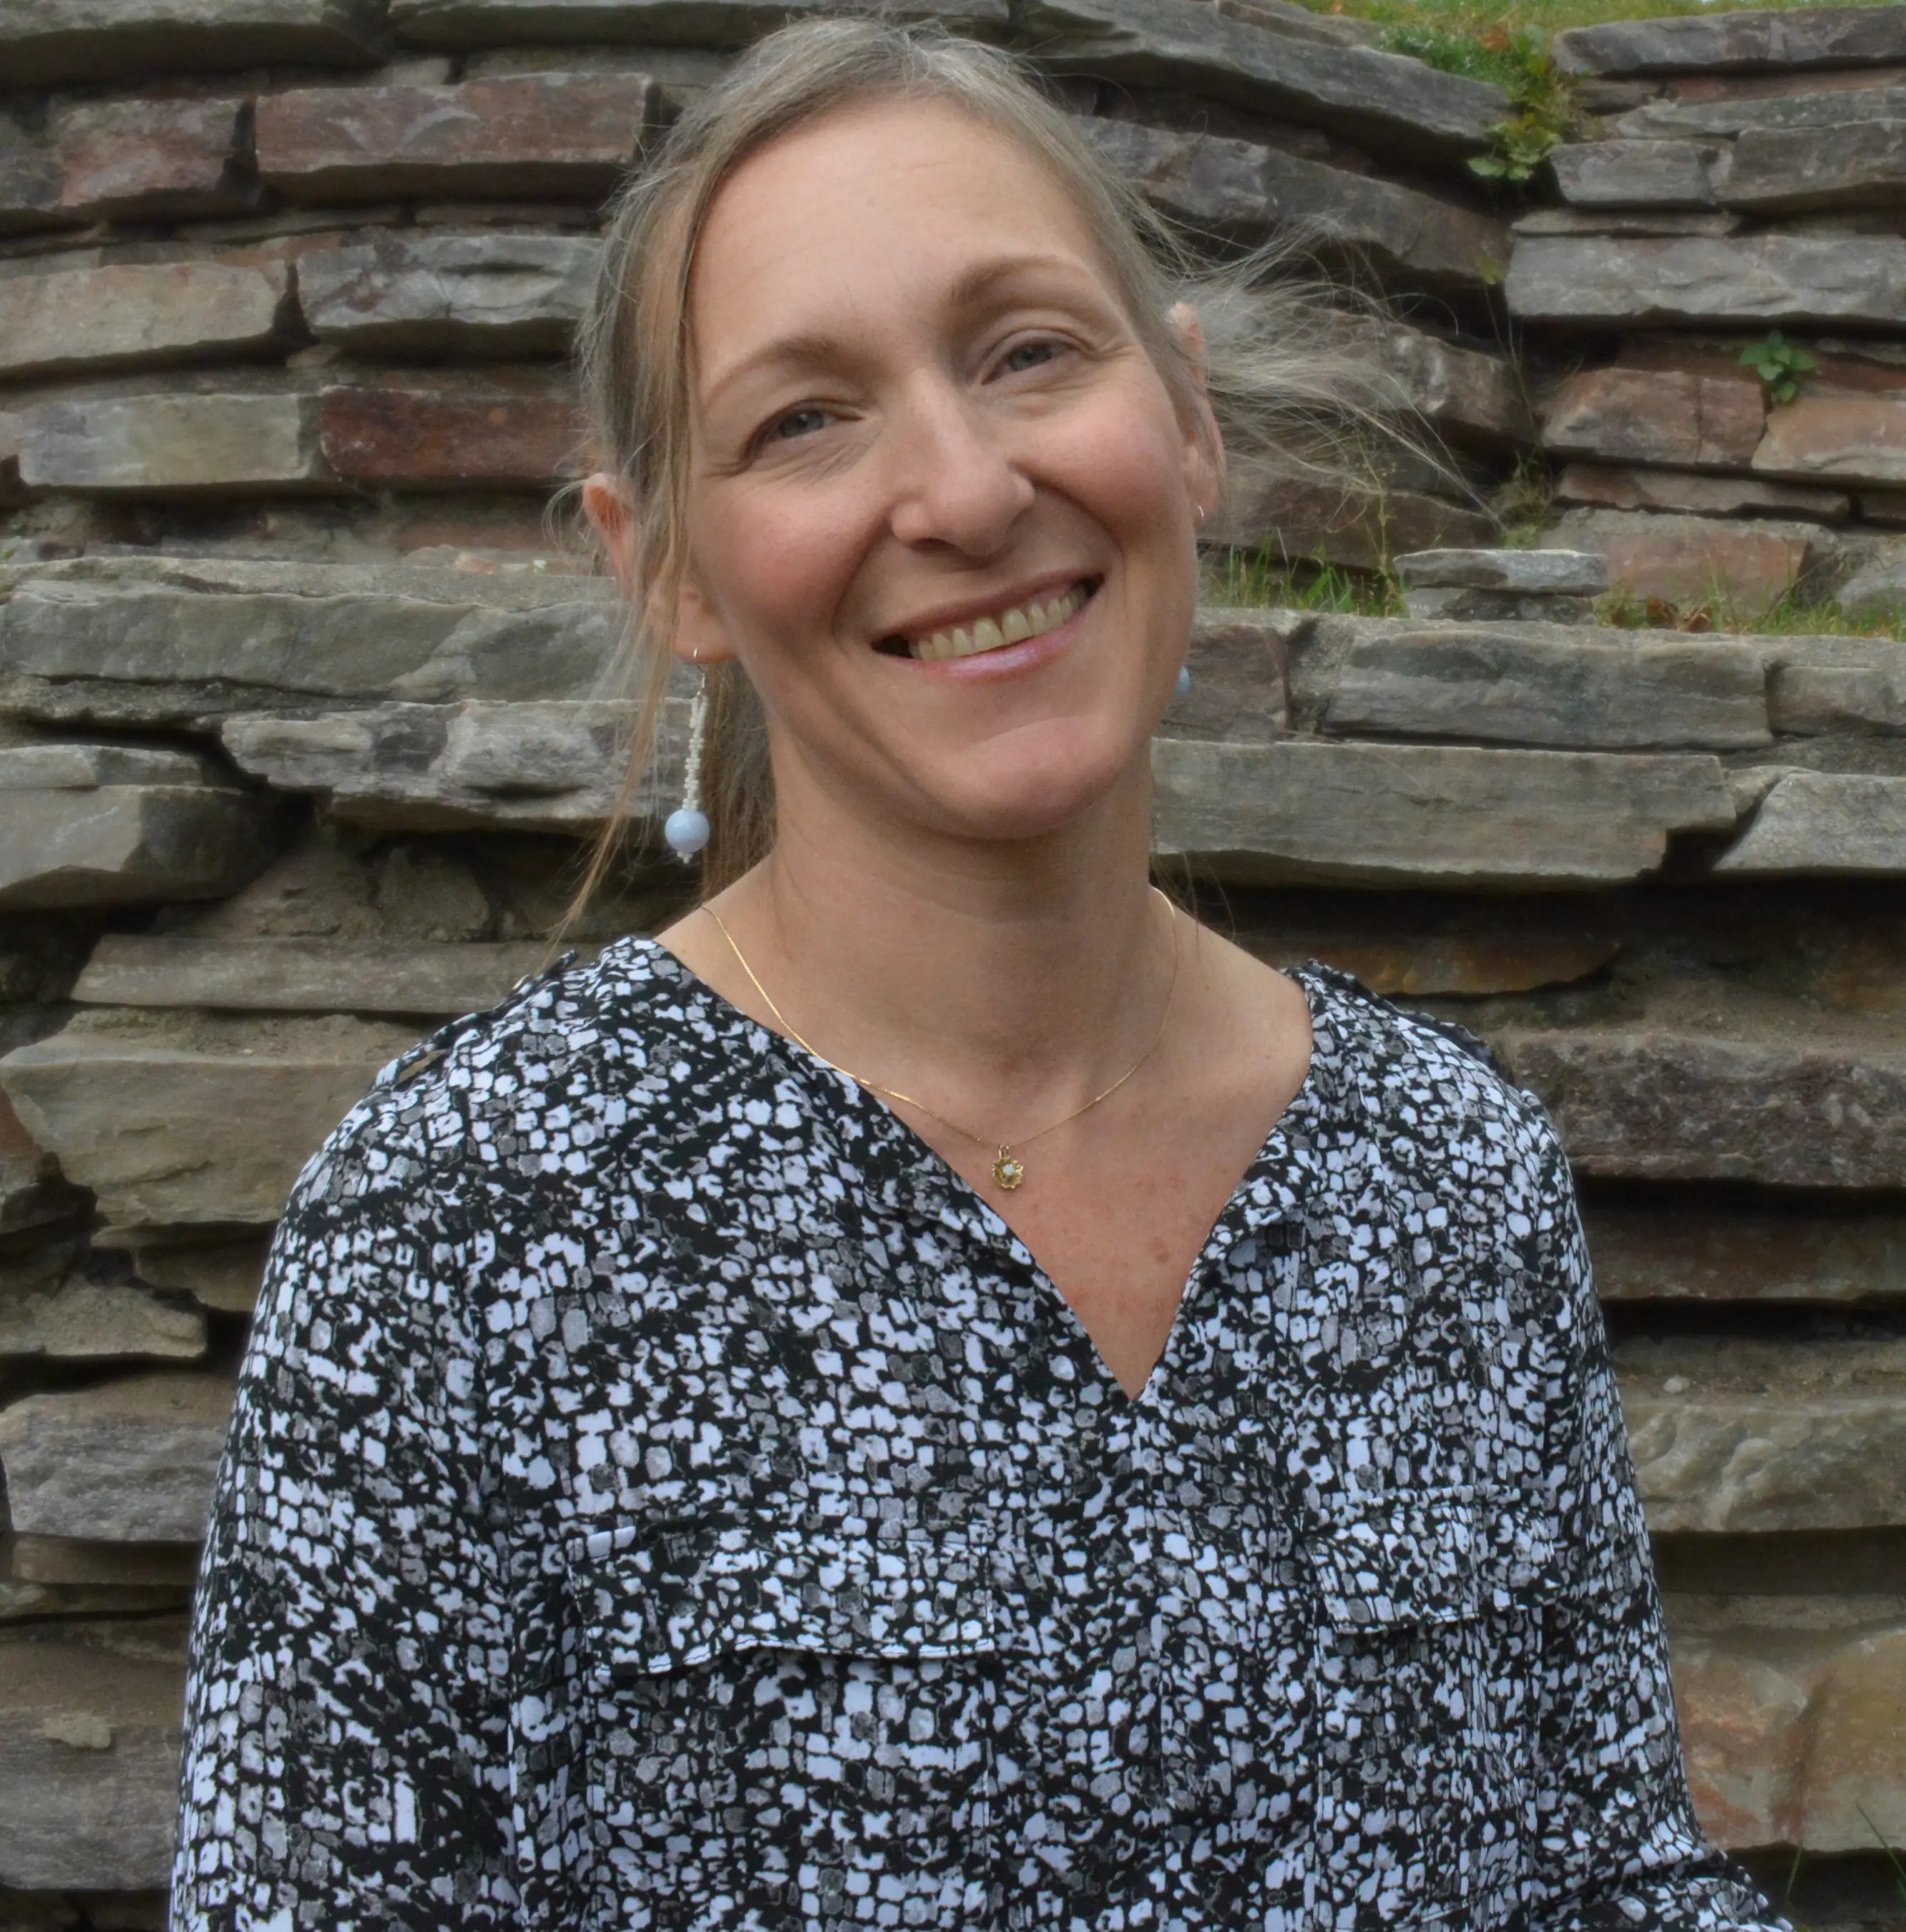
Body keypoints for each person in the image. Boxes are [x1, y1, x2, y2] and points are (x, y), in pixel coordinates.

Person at [171, 20, 1787, 1932]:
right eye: (806, 418)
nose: (959, 488)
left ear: (1182, 418)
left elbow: (1602, 1885)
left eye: (1027, 350)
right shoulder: (462, 1221)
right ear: (665, 565)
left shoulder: (1450, 1175)